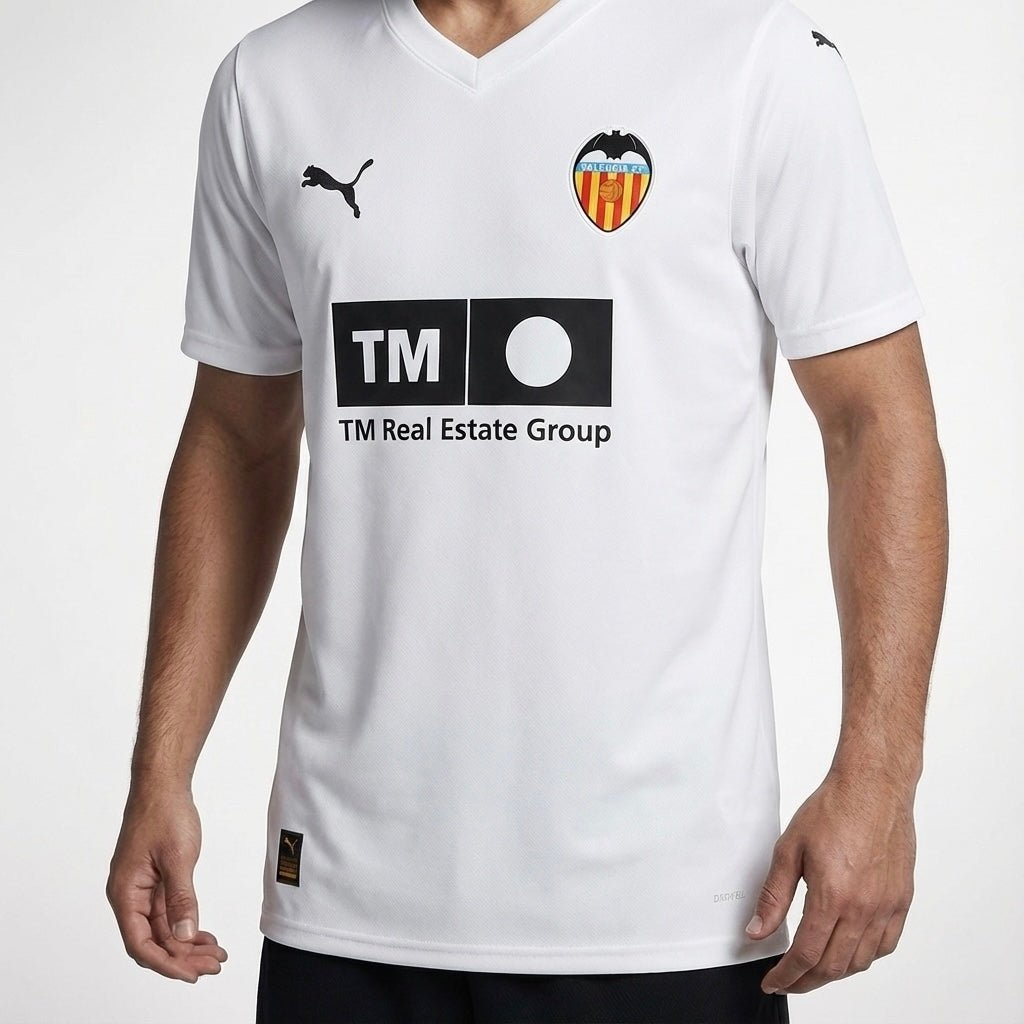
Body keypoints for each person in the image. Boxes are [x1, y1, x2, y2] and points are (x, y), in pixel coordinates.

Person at [106, 0, 948, 1020]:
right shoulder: (269, 82)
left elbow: (876, 424)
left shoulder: (756, 63)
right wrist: (161, 767)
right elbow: (235, 439)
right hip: (345, 898)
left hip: (668, 909)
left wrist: (880, 776)